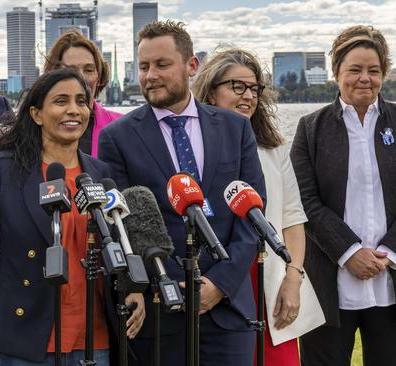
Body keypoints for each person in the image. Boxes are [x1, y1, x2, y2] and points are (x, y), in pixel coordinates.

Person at [0, 68, 145, 365]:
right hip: (23, 337)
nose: (74, 110)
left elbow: (118, 239)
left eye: (81, 101)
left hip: (92, 336)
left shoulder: (99, 173)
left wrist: (133, 288)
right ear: (36, 114)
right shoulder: (5, 168)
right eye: (61, 101)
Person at [98, 20, 265, 366]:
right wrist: (144, 285)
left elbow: (253, 213)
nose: (150, 75)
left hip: (229, 311)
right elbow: (119, 225)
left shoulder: (235, 127)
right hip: (159, 311)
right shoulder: (117, 138)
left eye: (161, 64)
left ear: (192, 66)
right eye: (143, 67)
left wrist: (220, 283)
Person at [192, 47, 325, 366]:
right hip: (215, 282)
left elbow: (293, 219)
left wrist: (293, 278)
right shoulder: (192, 148)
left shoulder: (274, 149)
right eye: (237, 86)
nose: (247, 95)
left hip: (268, 283)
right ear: (210, 93)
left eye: (253, 88)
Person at [290, 25, 396, 366]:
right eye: (354, 69)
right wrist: (349, 252)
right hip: (328, 281)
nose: (364, 78)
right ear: (336, 73)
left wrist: (387, 252)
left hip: (390, 278)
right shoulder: (310, 128)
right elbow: (304, 200)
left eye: (374, 70)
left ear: (384, 74)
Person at [44, 30, 122, 157]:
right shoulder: (34, 129)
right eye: (70, 70)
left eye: (89, 70)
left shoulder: (123, 128)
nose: (81, 78)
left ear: (99, 76)